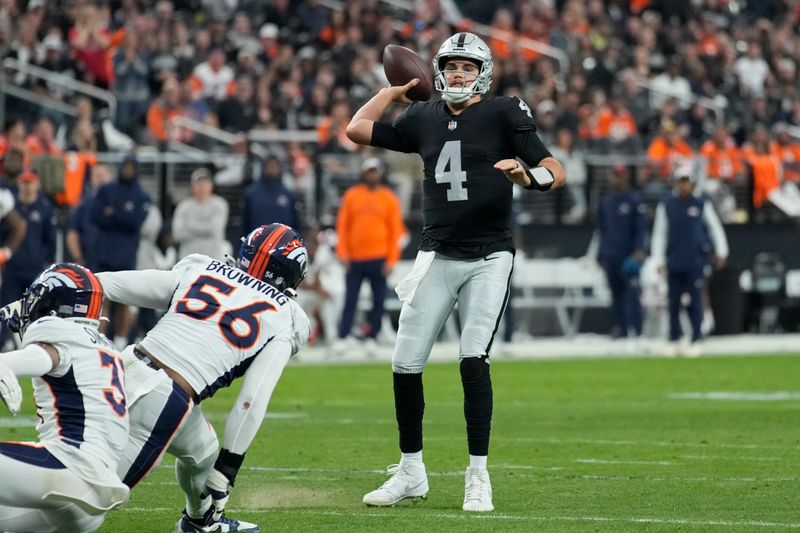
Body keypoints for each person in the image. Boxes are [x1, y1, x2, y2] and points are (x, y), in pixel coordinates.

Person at [345, 32, 565, 512]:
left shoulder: (505, 110)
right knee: (404, 362)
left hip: (489, 255)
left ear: (482, 72)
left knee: (472, 358)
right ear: (436, 72)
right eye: (450, 66)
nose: (459, 74)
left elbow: (554, 167)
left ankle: (478, 476)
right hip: (438, 254)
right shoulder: (421, 116)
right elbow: (357, 131)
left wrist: (528, 177)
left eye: (468, 67)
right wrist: (391, 91)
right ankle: (410, 471)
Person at [96, 223, 310, 532]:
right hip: (164, 397)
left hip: (119, 368)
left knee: (202, 450)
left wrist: (74, 283)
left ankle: (200, 521)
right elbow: (251, 400)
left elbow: (117, 285)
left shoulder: (203, 267)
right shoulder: (286, 315)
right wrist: (226, 472)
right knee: (85, 503)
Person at [0, 263, 129, 533]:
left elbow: (42, 357)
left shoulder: (57, 333)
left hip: (66, 470)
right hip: (93, 500)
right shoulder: (104, 346)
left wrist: (5, 364)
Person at [651, 167, 729, 357]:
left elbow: (714, 227)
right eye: (681, 181)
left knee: (696, 301)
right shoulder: (667, 204)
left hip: (696, 260)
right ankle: (674, 338)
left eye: (687, 181)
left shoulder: (701, 203)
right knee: (673, 301)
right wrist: (658, 259)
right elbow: (660, 233)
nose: (684, 185)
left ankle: (696, 337)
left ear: (692, 183)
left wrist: (721, 250)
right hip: (675, 259)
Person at [333, 157, 406, 355]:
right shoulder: (352, 195)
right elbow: (343, 227)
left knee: (378, 300)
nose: (372, 174)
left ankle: (372, 337)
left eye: (375, 171)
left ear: (380, 173)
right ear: (364, 173)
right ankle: (343, 336)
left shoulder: (389, 198)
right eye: (369, 171)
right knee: (350, 300)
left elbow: (395, 232)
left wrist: (391, 260)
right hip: (355, 259)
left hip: (379, 257)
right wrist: (343, 253)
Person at [90, 155, 150, 349]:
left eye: (132, 167)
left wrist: (114, 213)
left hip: (126, 255)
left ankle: (121, 342)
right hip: (104, 252)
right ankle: (98, 340)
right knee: (102, 298)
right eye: (126, 167)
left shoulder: (142, 195)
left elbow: (135, 223)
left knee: (125, 300)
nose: (128, 171)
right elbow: (96, 216)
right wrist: (123, 215)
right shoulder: (106, 189)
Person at [0, 171, 54, 350]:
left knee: (35, 311)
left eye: (30, 182)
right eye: (24, 182)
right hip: (12, 267)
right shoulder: (10, 204)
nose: (27, 186)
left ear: (37, 184)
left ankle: (35, 348)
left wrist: (47, 262)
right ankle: (4, 344)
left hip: (35, 269)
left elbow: (50, 239)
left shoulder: (44, 208)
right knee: (7, 308)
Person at [596, 165, 647, 350]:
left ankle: (638, 333)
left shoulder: (634, 200)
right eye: (615, 176)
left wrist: (639, 250)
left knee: (633, 295)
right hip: (611, 254)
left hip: (628, 256)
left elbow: (640, 228)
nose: (618, 179)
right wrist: (600, 255)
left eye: (620, 176)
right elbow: (602, 230)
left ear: (625, 178)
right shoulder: (606, 202)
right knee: (616, 296)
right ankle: (621, 332)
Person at [172, 167, 230, 260]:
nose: (202, 187)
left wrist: (190, 224)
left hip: (213, 261)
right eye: (198, 183)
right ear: (192, 186)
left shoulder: (220, 204)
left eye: (205, 183)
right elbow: (178, 233)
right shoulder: (183, 206)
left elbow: (215, 228)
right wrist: (206, 228)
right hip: (188, 260)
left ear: (211, 185)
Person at [241, 155, 299, 233]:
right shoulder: (251, 194)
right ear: (264, 167)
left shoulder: (288, 195)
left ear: (279, 168)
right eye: (270, 166)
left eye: (275, 166)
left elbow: (295, 222)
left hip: (282, 240)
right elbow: (245, 222)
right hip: (258, 240)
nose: (272, 168)